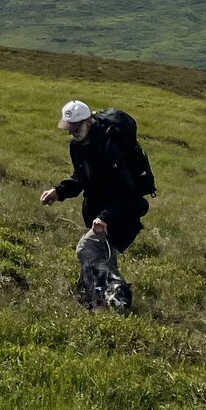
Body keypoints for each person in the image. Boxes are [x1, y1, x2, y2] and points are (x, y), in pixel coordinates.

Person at [38, 99, 156, 309]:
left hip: (122, 212)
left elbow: (128, 193)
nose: (71, 133)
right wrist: (58, 191)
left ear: (88, 122)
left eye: (75, 128)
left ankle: (116, 298)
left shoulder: (112, 148)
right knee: (103, 257)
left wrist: (105, 217)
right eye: (69, 128)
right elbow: (81, 177)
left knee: (87, 248)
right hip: (99, 215)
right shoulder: (78, 146)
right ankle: (102, 303)